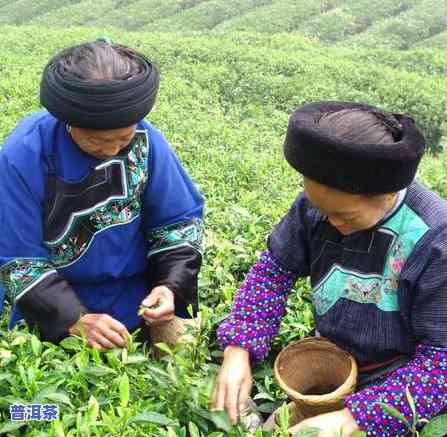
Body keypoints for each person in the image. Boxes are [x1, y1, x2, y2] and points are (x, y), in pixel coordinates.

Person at [212, 102, 447, 436]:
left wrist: (355, 419)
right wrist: (239, 349)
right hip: (332, 361)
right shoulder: (317, 207)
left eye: (346, 216)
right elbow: (273, 272)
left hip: (397, 381)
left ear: (388, 192)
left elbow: (440, 363)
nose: (329, 223)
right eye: (320, 208)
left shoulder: (434, 238)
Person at [0, 40, 204, 349]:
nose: (111, 150)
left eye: (123, 138)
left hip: (137, 306)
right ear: (68, 122)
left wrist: (169, 286)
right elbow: (19, 261)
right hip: (51, 317)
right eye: (96, 141)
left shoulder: (147, 142)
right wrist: (74, 320)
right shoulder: (24, 155)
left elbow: (177, 223)